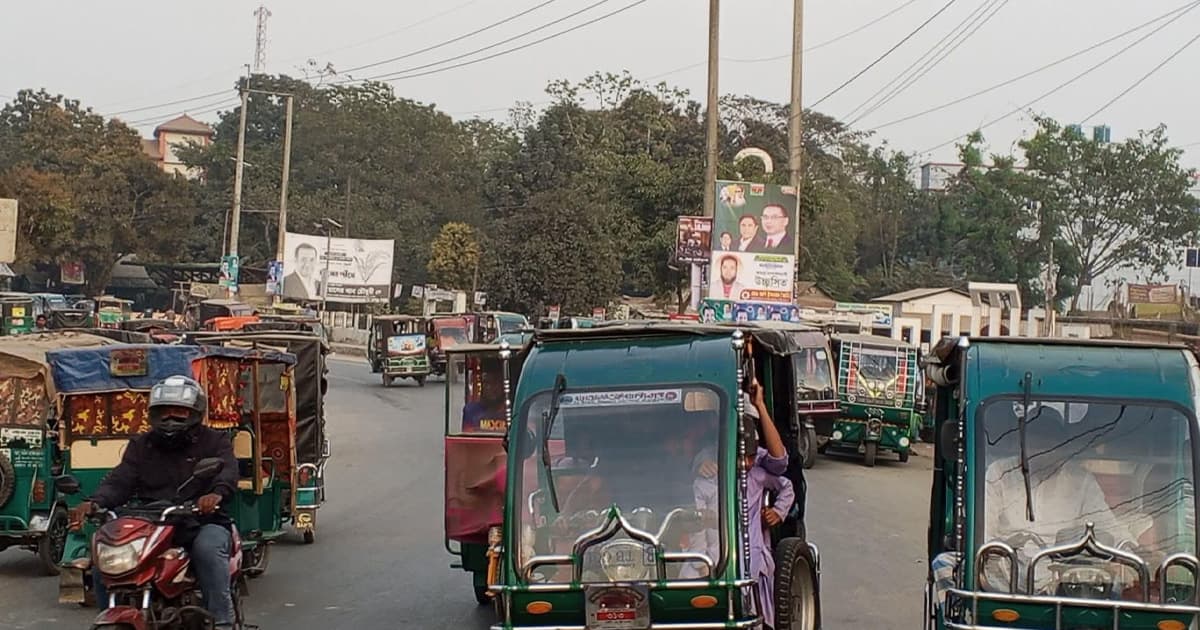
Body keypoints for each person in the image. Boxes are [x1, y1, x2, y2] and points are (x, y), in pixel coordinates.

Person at [70, 375, 239, 627]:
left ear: (195, 413)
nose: (170, 418)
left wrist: (215, 494)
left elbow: (227, 472)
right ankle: (109, 612)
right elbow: (120, 480)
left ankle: (222, 621)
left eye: (179, 412)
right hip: (152, 521)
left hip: (201, 520)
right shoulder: (141, 445)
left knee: (207, 549)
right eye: (164, 412)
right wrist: (95, 502)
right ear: (154, 414)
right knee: (105, 559)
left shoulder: (214, 441)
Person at [931, 404, 1131, 604]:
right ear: (1023, 441)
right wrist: (996, 557)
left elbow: (1108, 526)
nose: (1042, 447)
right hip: (1006, 568)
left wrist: (1134, 551)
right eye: (1036, 438)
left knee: (1120, 586)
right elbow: (983, 529)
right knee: (944, 564)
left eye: (1050, 440)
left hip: (1063, 573)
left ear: (1062, 444)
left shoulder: (1081, 480)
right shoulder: (999, 472)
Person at [685, 379, 792, 627]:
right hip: (712, 551)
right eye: (740, 458)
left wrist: (778, 511)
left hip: (751, 552)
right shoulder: (707, 469)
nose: (745, 464)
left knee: (752, 600)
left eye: (751, 458)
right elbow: (697, 519)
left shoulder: (758, 470)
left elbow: (782, 470)